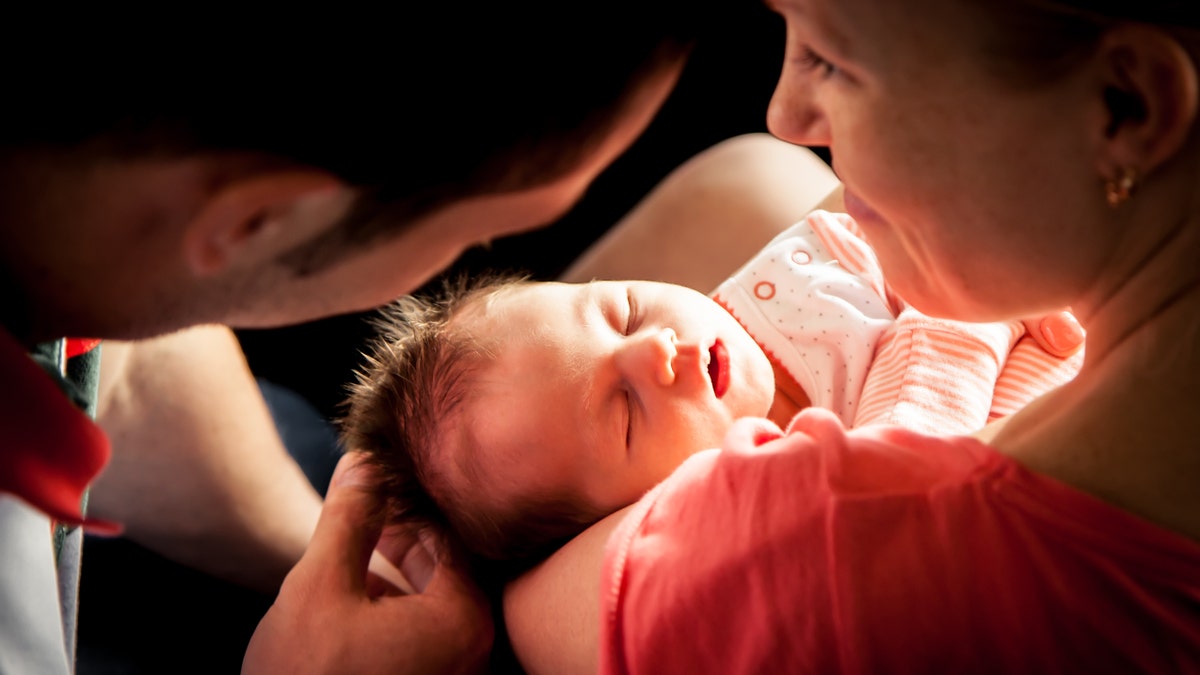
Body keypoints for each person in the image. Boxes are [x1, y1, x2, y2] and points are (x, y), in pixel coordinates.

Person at [0, 6, 726, 673]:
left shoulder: (72, 230)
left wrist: (322, 552)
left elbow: (119, 368)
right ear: (257, 219)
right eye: (475, 234)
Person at [501, 1, 1200, 673]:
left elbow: (532, 599)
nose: (788, 115)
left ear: (1124, 104)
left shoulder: (851, 559)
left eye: (832, 58)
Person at [341, 208, 1082, 571]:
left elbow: (942, 231)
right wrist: (961, 312)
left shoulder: (793, 278)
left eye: (621, 310)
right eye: (625, 411)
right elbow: (913, 464)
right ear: (632, 516)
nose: (657, 349)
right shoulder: (759, 499)